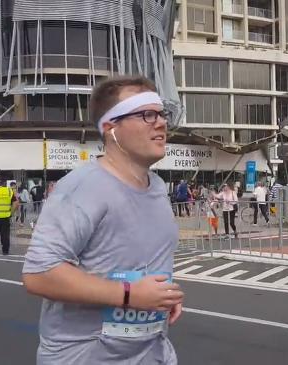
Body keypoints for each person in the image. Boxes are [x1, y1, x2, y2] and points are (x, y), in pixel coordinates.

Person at [22, 76, 183, 364]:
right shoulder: (83, 188)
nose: (160, 123)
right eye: (146, 115)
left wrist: (162, 296)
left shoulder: (157, 187)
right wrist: (129, 294)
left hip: (152, 353)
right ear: (111, 128)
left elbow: (138, 264)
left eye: (161, 114)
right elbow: (39, 273)